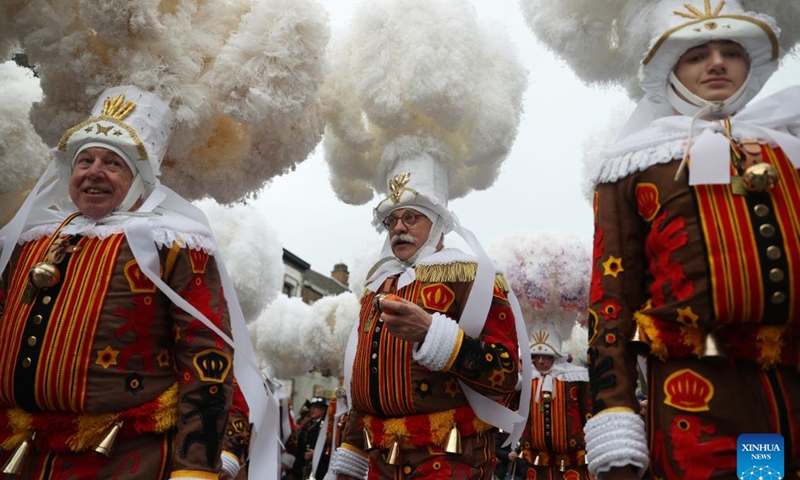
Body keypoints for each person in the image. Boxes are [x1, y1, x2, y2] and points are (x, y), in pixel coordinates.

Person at [0, 85, 266, 478]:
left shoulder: (175, 245)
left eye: (113, 162)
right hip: (21, 455)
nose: (94, 172)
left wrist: (195, 467)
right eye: (84, 160)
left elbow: (205, 357)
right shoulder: (29, 241)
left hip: (127, 459)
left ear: (139, 180)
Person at [584, 1, 800, 479]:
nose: (717, 62)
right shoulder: (633, 165)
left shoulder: (791, 148)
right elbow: (610, 302)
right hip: (699, 396)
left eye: (731, 50)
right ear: (672, 71)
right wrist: (614, 414)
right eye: (697, 53)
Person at [328, 164, 528, 480]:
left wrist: (433, 334)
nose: (397, 228)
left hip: (450, 456)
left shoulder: (472, 276)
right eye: (391, 220)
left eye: (410, 217)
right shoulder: (377, 286)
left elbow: (504, 372)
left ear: (436, 224)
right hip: (378, 458)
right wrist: (351, 454)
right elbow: (363, 380)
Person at [519, 325, 592, 480]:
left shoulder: (574, 378)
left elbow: (588, 411)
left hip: (572, 455)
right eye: (536, 356)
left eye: (545, 356)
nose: (540, 361)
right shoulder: (527, 381)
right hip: (538, 457)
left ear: (556, 356)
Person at [286, 397, 328, 480]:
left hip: (318, 469)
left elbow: (329, 448)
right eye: (311, 407)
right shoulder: (308, 425)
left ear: (323, 410)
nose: (312, 410)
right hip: (302, 468)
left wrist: (317, 453)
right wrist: (293, 471)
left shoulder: (326, 427)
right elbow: (299, 448)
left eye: (316, 407)